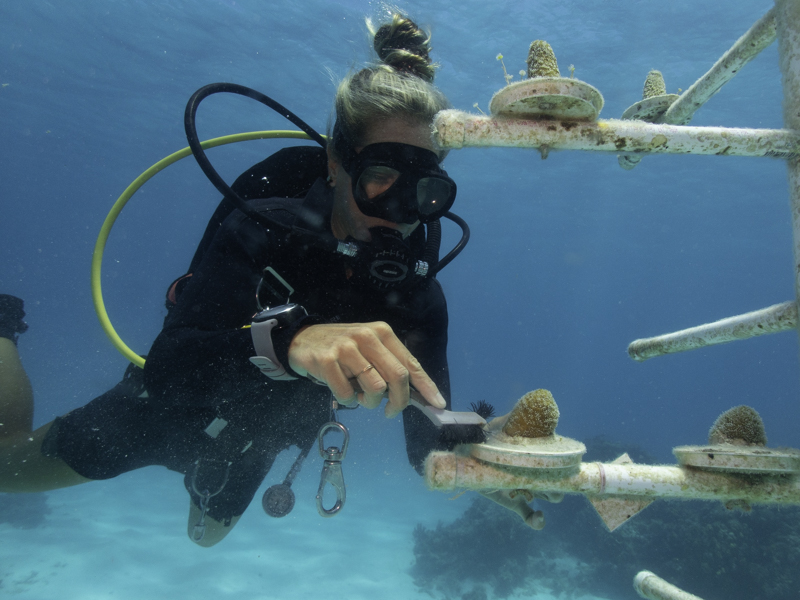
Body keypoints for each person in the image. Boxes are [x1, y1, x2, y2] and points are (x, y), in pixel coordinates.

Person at [0, 14, 464, 547]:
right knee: (5, 466)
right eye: (380, 177)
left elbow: (428, 439)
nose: (400, 211)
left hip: (252, 438)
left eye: (425, 192)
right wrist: (292, 341)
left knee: (205, 538)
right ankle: (3, 327)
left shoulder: (418, 290)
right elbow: (173, 365)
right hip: (159, 411)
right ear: (336, 164)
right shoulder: (263, 227)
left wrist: (483, 450)